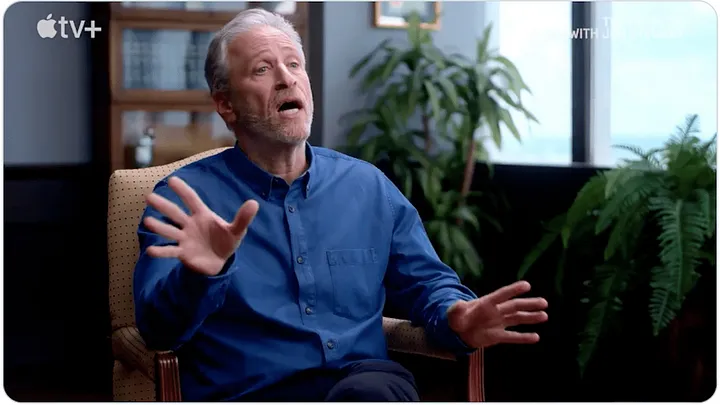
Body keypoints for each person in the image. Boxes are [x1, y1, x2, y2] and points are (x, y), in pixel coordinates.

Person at [133, 8, 549, 402]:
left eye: (294, 65)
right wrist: (200, 277)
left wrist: (457, 315)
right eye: (262, 69)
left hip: (360, 386)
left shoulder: (368, 186)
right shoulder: (185, 199)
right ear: (225, 104)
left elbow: (427, 283)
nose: (286, 79)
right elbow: (157, 332)